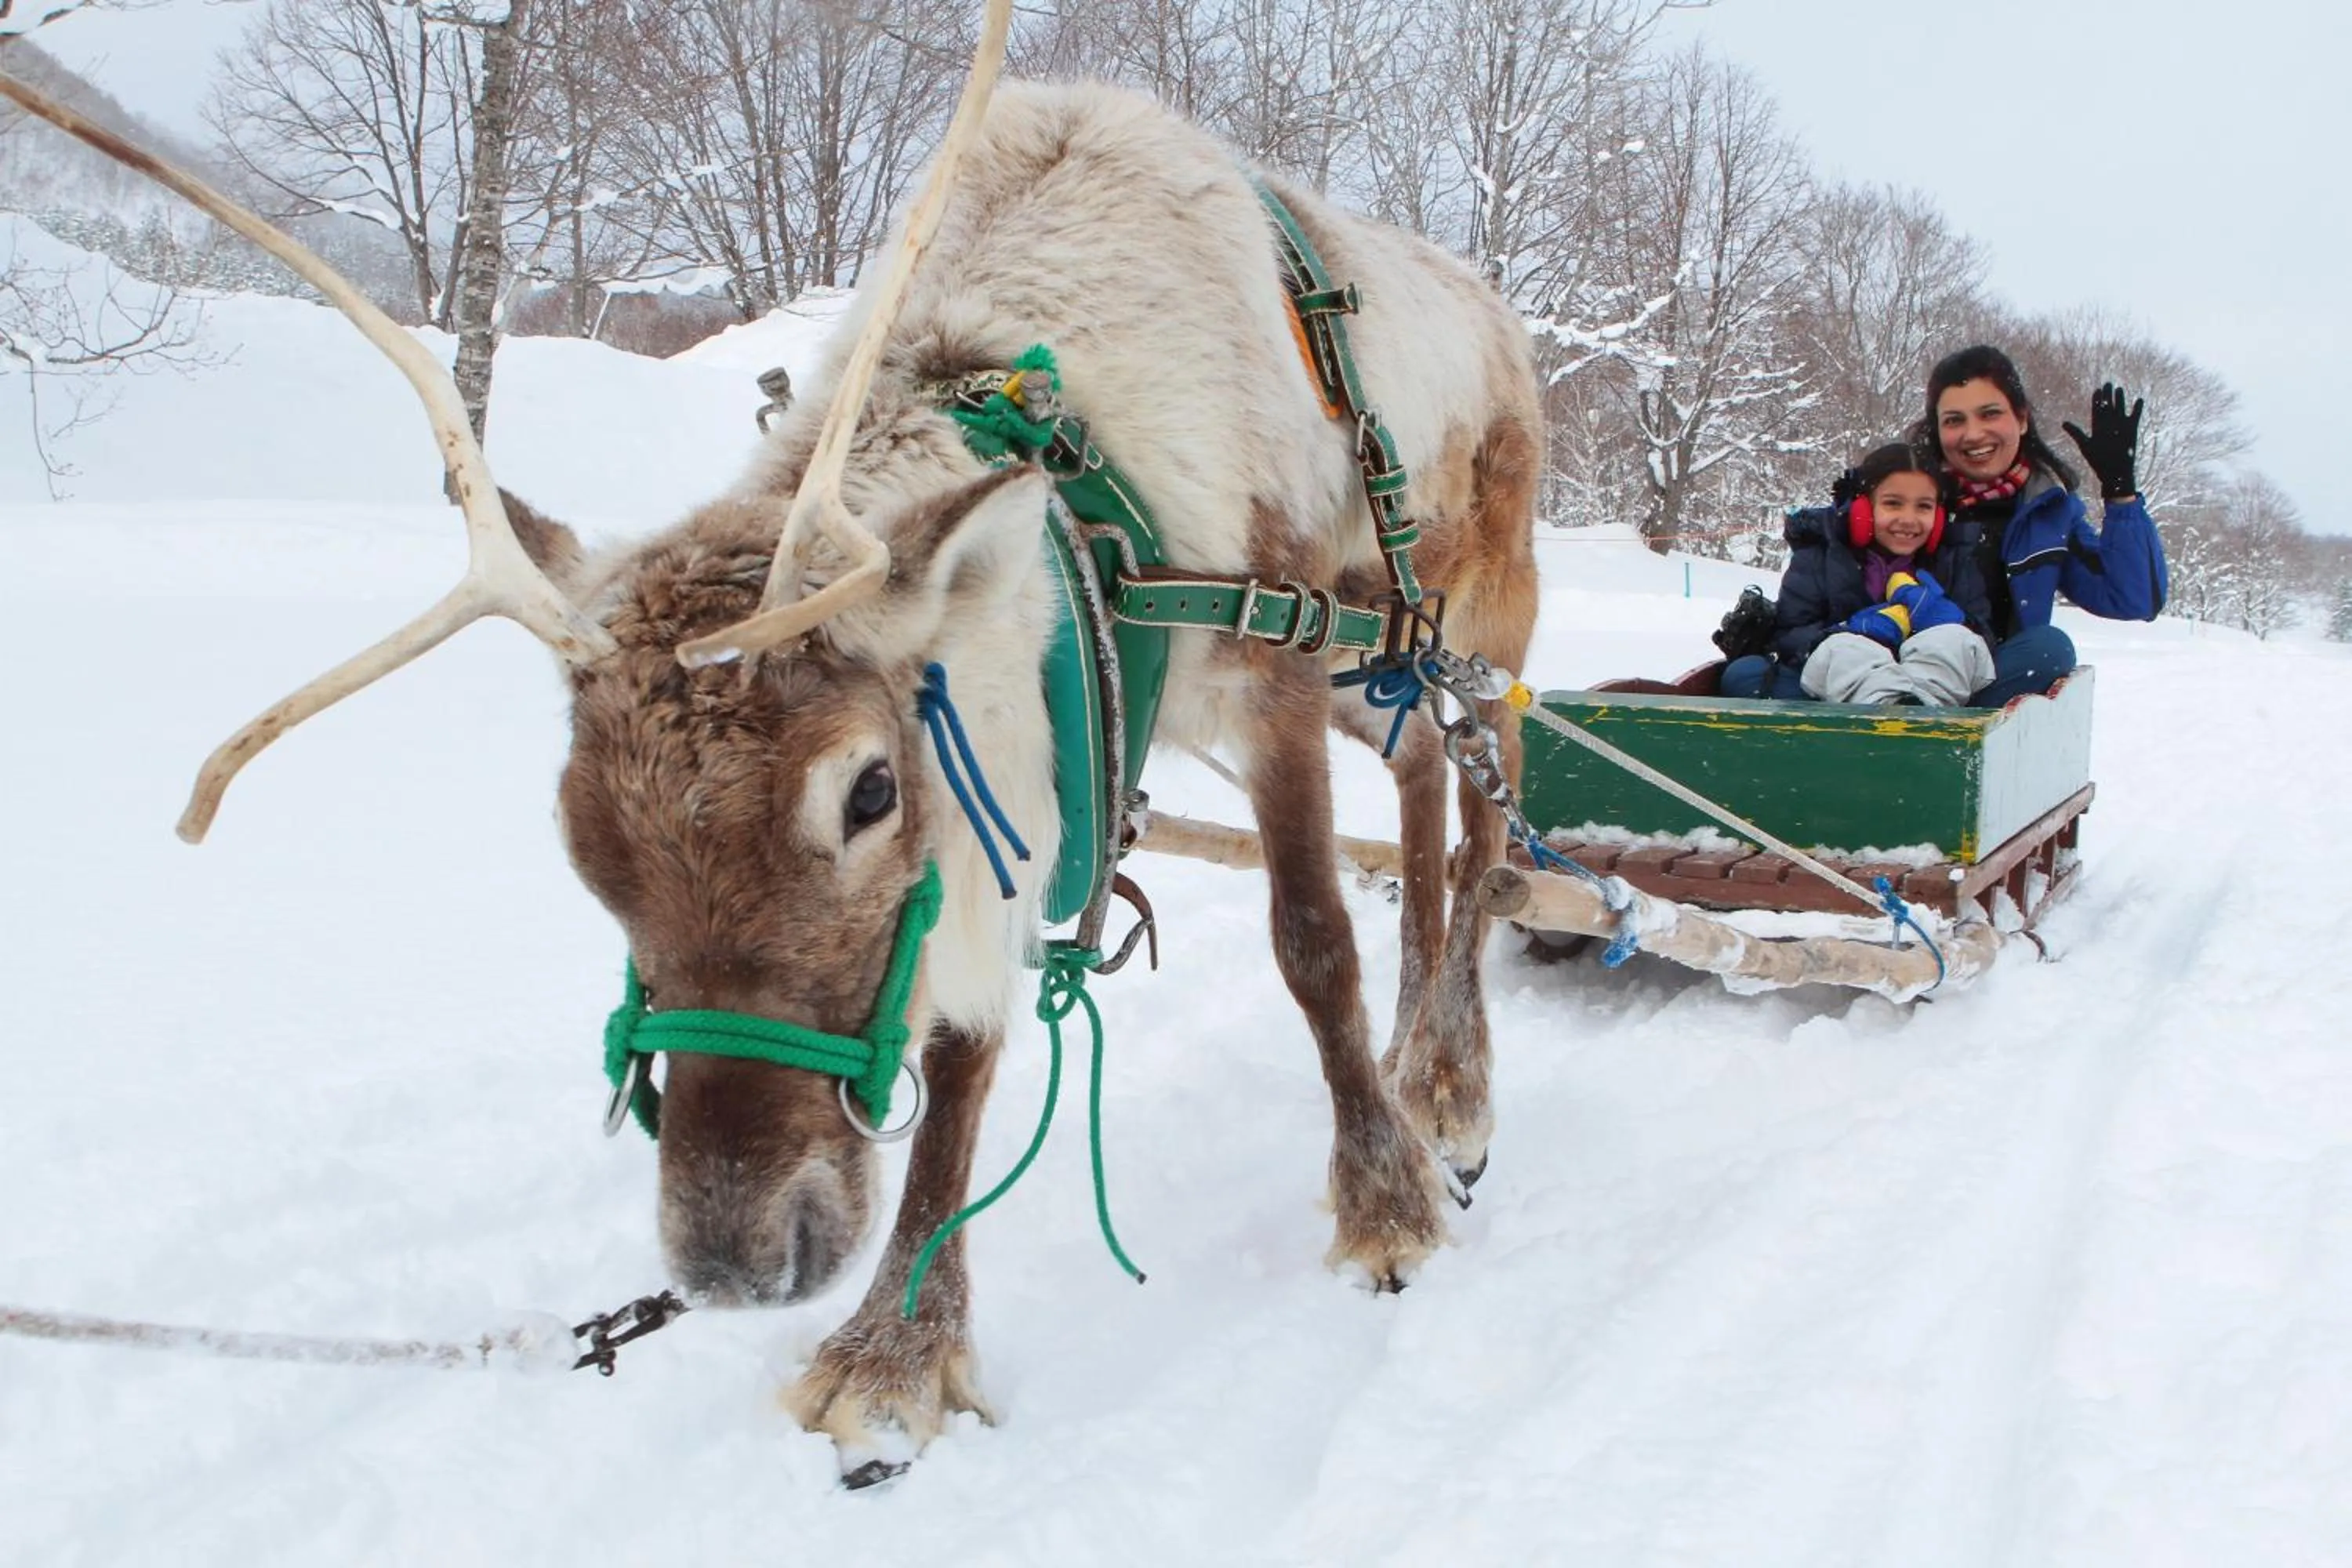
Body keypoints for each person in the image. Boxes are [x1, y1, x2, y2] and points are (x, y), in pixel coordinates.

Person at [1914, 345, 2168, 706]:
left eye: (1989, 414)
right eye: (1955, 420)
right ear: (1937, 430)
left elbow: (2134, 599)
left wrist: (2121, 494)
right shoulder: (1906, 499)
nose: (1973, 434)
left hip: (1988, 686)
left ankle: (1953, 740)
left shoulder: (2047, 513)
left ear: (2021, 418)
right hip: (1899, 674)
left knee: (2050, 649)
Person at [1721, 441, 1997, 706]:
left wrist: (1952, 621)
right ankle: (1885, 711)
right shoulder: (1819, 555)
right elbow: (1791, 634)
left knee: (1968, 642)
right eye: (1893, 504)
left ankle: (1915, 712)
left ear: (1938, 516)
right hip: (1839, 691)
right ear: (1863, 509)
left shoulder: (1956, 558)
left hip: (1938, 686)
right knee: (1747, 674)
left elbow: (1983, 637)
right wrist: (1851, 633)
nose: (1909, 519)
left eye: (1923, 506)